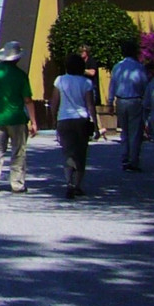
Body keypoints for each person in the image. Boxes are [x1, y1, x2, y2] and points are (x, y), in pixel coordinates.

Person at [0, 41, 39, 194]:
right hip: (16, 118)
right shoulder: (20, 75)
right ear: (17, 58)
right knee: (18, 151)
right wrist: (33, 121)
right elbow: (27, 100)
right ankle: (17, 183)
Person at [52, 52, 97, 199]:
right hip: (81, 119)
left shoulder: (60, 80)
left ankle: (68, 182)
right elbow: (90, 105)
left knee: (67, 151)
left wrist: (54, 118)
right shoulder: (86, 83)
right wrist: (95, 124)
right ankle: (77, 185)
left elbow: (55, 102)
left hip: (64, 119)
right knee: (81, 152)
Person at [109, 39, 148, 171]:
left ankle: (125, 158)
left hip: (121, 100)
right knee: (135, 132)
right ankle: (133, 160)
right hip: (135, 100)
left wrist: (110, 101)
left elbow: (112, 85)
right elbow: (144, 85)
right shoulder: (139, 67)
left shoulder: (117, 67)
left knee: (124, 131)